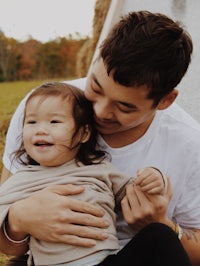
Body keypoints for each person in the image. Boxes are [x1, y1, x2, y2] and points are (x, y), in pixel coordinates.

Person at [1, 10, 200, 265]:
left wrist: (161, 224)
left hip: (119, 257)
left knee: (160, 236)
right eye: (95, 87)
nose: (100, 111)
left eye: (125, 107)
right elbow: (8, 246)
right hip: (49, 258)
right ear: (95, 59)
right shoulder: (43, 109)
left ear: (165, 101)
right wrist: (19, 219)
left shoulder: (189, 145)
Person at [0, 81, 169, 266]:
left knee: (161, 236)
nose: (41, 129)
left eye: (54, 121)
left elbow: (136, 192)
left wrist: (155, 178)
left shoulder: (99, 170)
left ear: (83, 133)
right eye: (31, 122)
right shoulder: (23, 178)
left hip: (105, 260)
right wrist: (17, 218)